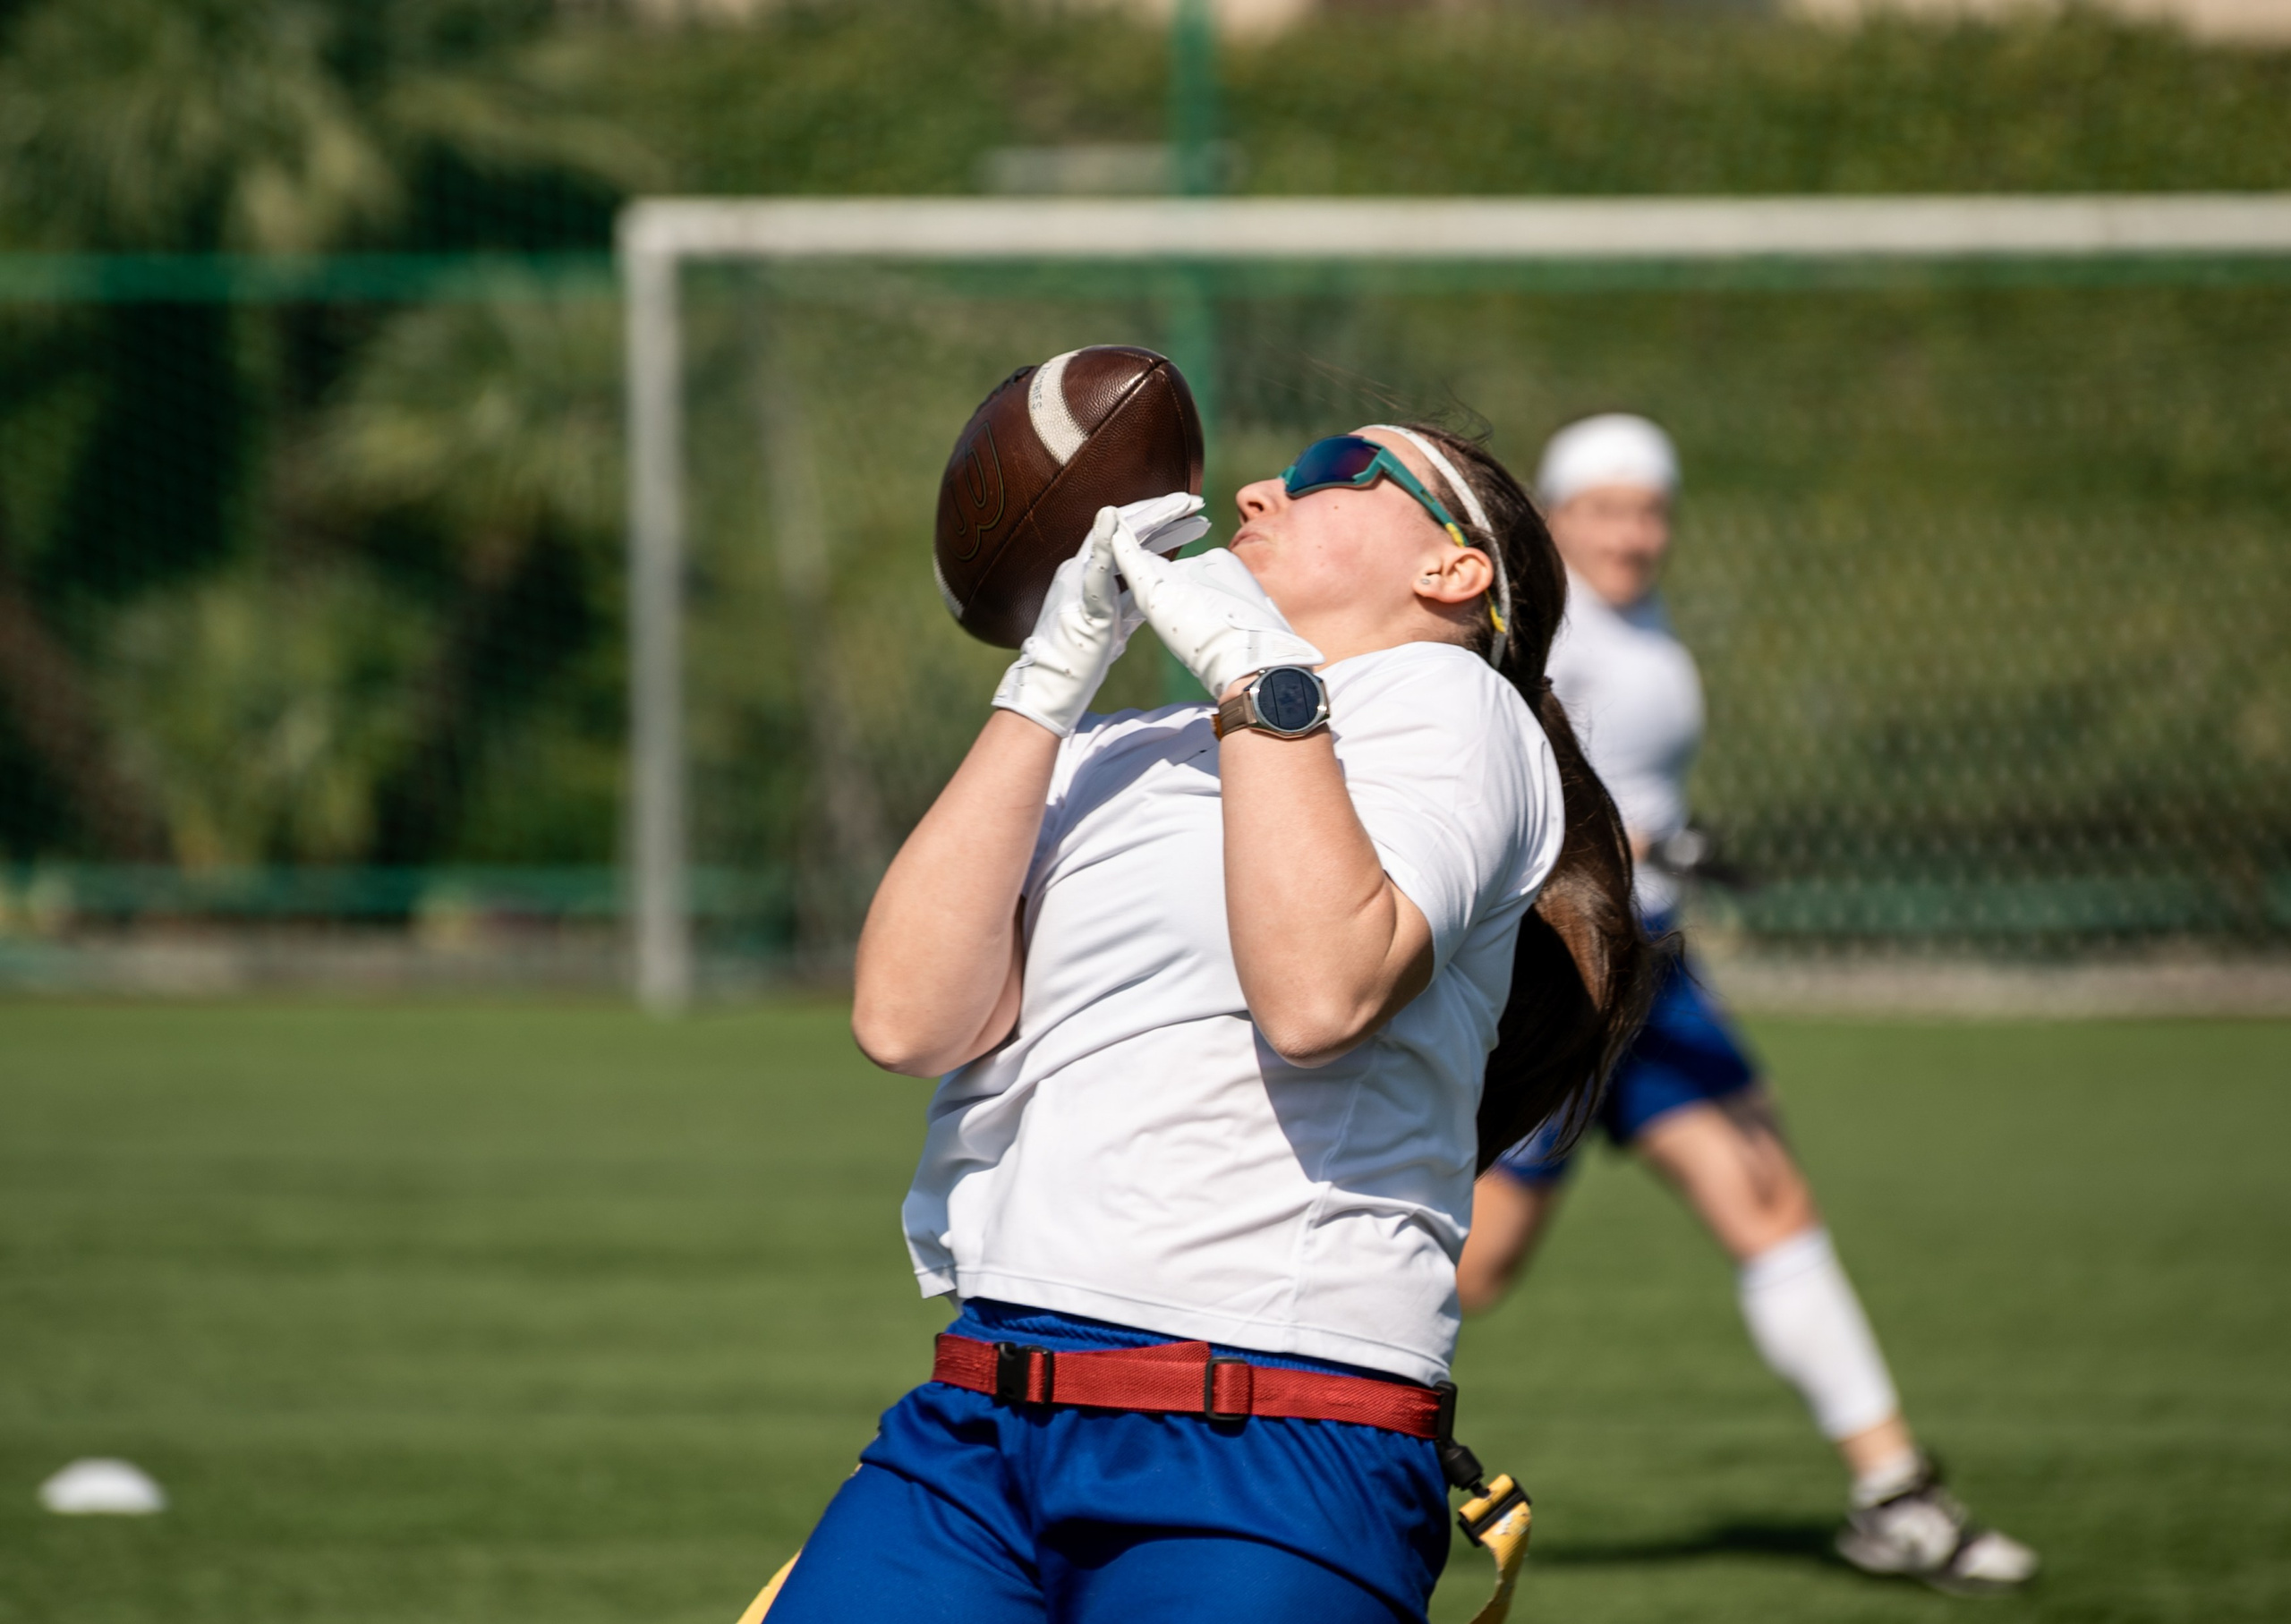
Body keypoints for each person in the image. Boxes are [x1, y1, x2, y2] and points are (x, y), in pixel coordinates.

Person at [761, 423, 1654, 1622]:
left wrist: (1259, 675)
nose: (1258, 489)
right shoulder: (1120, 747)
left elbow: (1321, 994)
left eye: (1336, 470)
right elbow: (906, 1020)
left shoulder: (1450, 704)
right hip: (982, 1413)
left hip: (1269, 1423)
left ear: (1453, 569)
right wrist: (1047, 682)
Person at [1453, 413, 2040, 1596]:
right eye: (1605, 510)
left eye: (1650, 510)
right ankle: (1300, 1423)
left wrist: (1661, 846)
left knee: (1766, 1197)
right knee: (1474, 1262)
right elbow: (1505, 789)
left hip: (1653, 972)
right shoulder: (1548, 628)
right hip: (1560, 973)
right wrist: (1642, 843)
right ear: (1556, 517)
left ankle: (1893, 1495)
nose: (1633, 533)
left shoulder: (1640, 622)